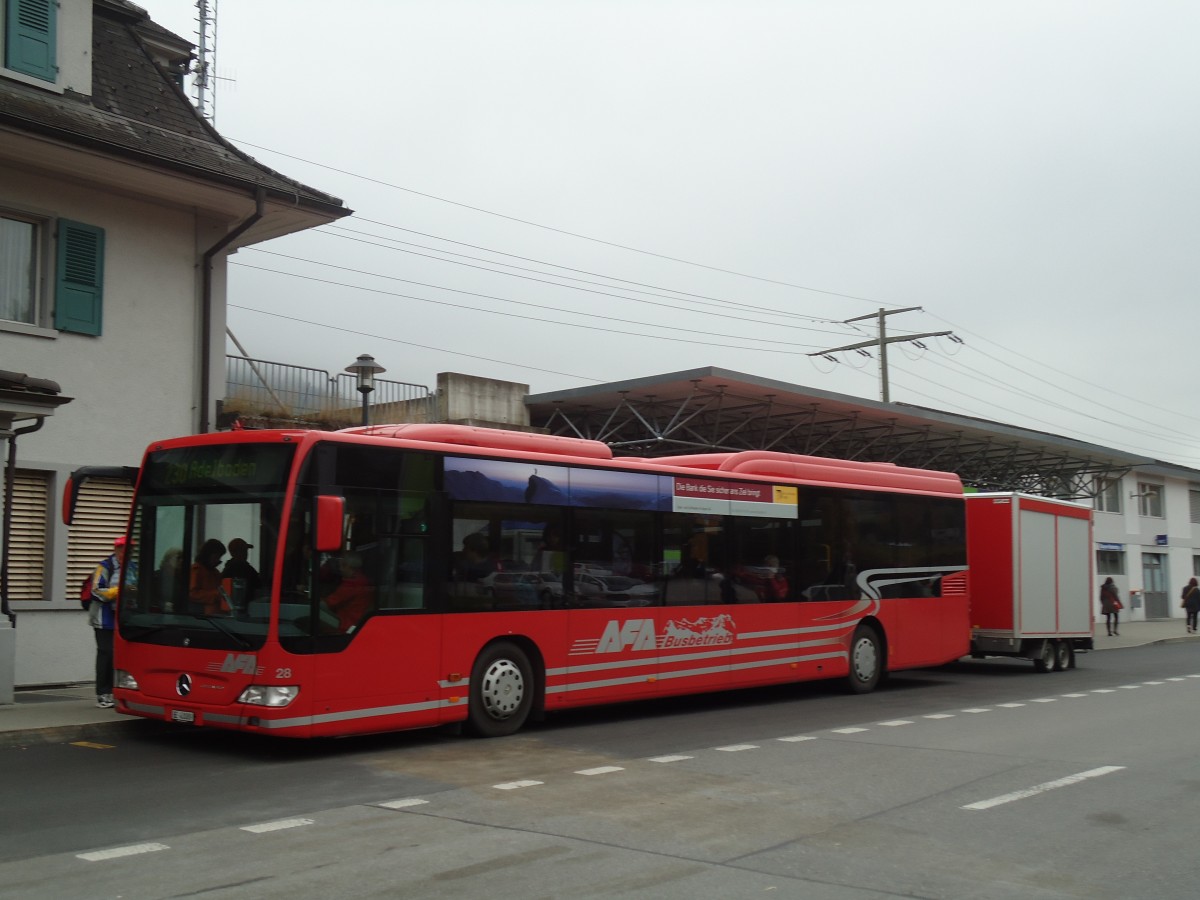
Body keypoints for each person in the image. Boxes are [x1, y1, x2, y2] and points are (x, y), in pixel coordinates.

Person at [89, 536, 135, 709]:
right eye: (122, 548)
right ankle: (103, 693)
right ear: (116, 549)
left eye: (128, 549)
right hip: (104, 618)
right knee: (106, 653)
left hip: (124, 618)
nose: (125, 552)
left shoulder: (133, 567)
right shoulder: (105, 566)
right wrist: (120, 591)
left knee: (119, 655)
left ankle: (117, 690)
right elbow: (96, 591)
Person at [322, 552, 374, 633]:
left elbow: (328, 603)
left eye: (343, 565)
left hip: (346, 626)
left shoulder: (352, 585)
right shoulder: (362, 580)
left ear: (350, 567)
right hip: (355, 623)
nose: (340, 569)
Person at [189, 539, 229, 615]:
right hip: (203, 616)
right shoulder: (196, 570)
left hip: (218, 616)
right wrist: (216, 595)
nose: (217, 560)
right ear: (207, 555)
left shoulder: (215, 572)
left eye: (219, 557)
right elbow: (192, 594)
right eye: (216, 557)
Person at [222, 537, 262, 602]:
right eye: (243, 550)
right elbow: (258, 584)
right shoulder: (241, 568)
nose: (246, 553)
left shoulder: (228, 568)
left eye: (245, 550)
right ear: (234, 553)